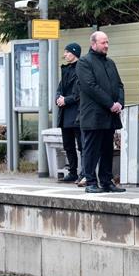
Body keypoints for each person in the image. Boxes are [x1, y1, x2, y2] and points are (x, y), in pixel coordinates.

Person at [76, 31, 126, 193]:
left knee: (107, 149)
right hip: (93, 115)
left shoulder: (110, 63)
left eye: (107, 42)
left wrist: (119, 103)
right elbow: (90, 87)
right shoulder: (84, 62)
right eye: (103, 43)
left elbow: (119, 85)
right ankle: (90, 181)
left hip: (109, 115)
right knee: (91, 149)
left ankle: (106, 180)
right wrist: (110, 103)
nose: (106, 45)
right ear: (93, 44)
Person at [55, 42, 83, 183]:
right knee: (68, 145)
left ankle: (84, 173)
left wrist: (66, 100)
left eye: (67, 52)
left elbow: (80, 92)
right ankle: (72, 172)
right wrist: (58, 99)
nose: (65, 55)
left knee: (81, 145)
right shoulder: (66, 69)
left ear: (74, 53)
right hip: (65, 114)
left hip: (77, 113)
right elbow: (60, 88)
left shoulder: (81, 68)